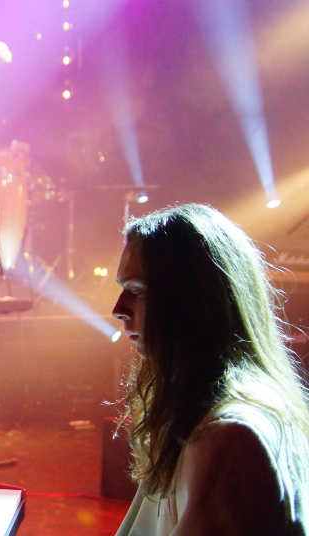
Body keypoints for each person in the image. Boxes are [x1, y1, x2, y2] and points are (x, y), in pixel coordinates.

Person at [111, 204, 309, 535]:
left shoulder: (228, 436)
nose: (118, 309)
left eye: (137, 290)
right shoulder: (225, 416)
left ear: (192, 301)